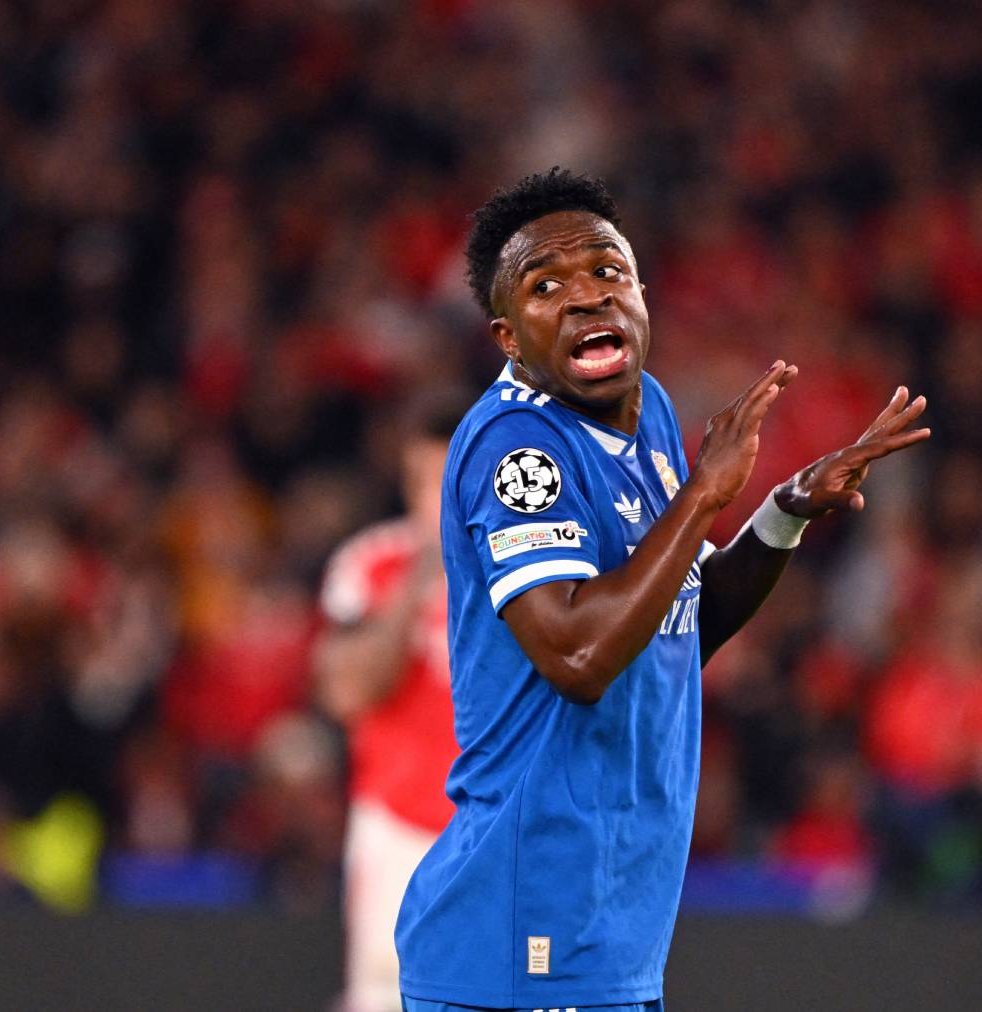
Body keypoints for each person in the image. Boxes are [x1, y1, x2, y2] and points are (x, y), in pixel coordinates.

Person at [394, 169, 929, 1012]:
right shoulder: (516, 449)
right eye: (547, 286)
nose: (586, 298)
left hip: (610, 926)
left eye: (608, 272)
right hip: (524, 927)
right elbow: (577, 652)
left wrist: (783, 511)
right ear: (508, 336)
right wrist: (704, 495)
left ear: (642, 293)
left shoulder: (646, 420)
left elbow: (681, 619)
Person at [315, 398, 466, 1012]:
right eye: (419, 481)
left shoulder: (531, 565)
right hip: (397, 829)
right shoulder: (370, 564)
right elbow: (347, 689)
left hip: (497, 830)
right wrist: (425, 572)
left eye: (446, 479)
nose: (432, 499)